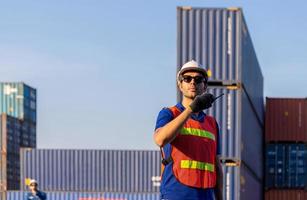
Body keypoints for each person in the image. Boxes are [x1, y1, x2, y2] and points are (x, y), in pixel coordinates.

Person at [154, 60, 223, 200]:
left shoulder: (212, 124)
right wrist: (190, 110)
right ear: (180, 84)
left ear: (204, 86)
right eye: (187, 79)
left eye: (198, 79)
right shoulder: (169, 114)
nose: (192, 82)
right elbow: (160, 139)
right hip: (175, 195)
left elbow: (216, 167)